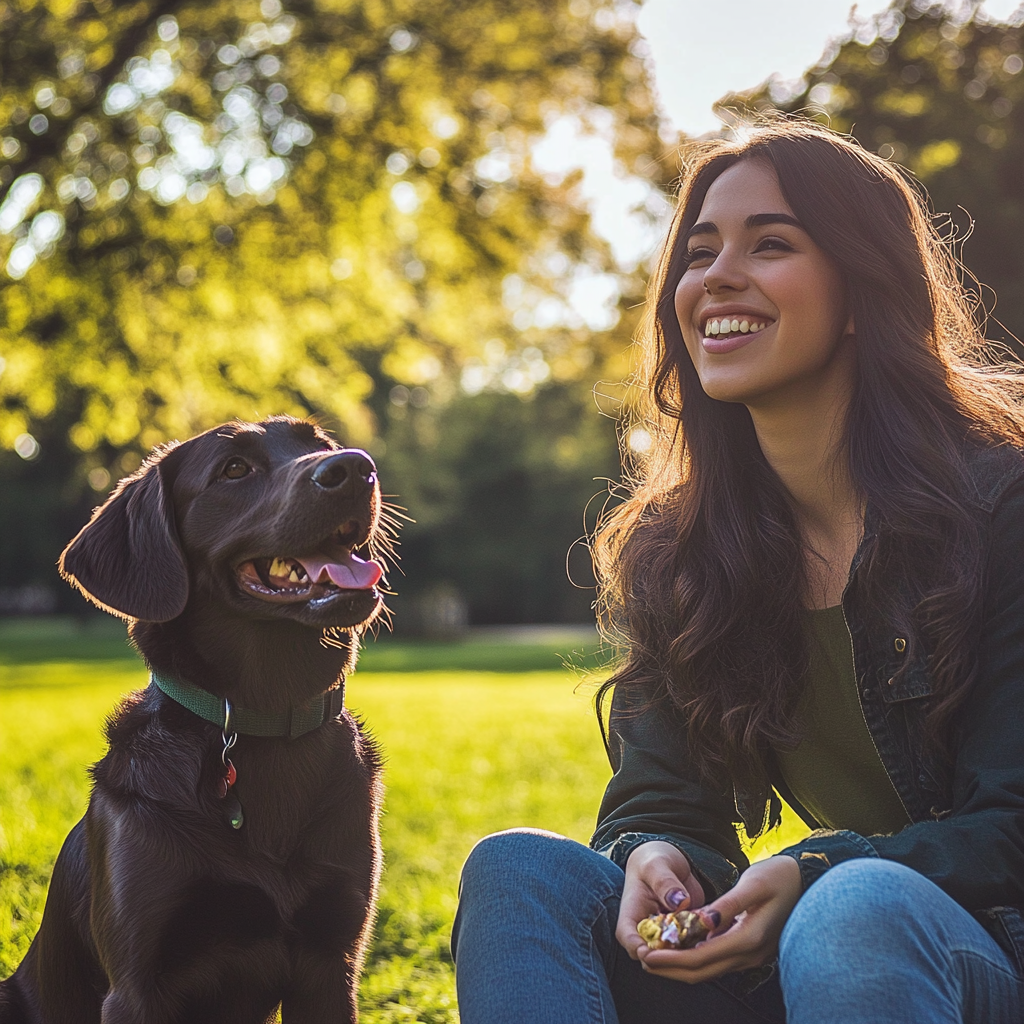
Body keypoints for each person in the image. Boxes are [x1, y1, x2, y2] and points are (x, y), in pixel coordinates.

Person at [450, 118, 1024, 1024]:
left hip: (984, 951)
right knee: (517, 869)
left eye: (772, 243)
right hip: (836, 955)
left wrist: (815, 868)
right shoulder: (687, 552)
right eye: (699, 249)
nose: (715, 275)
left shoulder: (1004, 511)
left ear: (861, 288)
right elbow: (664, 796)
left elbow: (1014, 827)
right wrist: (652, 855)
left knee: (856, 901)